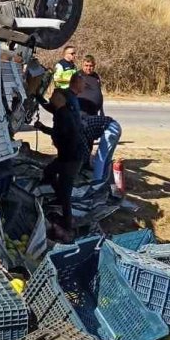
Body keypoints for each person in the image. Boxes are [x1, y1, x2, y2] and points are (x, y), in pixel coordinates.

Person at [35, 86, 89, 242]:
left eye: (53, 95)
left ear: (60, 99)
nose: (51, 97)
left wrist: (44, 129)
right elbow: (47, 106)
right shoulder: (60, 111)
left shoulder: (64, 115)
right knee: (49, 172)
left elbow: (63, 135)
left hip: (71, 158)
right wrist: (37, 96)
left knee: (66, 191)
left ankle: (68, 224)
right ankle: (59, 198)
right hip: (67, 156)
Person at [74, 57, 123, 182]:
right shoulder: (78, 75)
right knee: (81, 139)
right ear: (82, 65)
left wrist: (101, 109)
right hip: (82, 112)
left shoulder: (96, 77)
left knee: (90, 140)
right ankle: (78, 166)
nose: (88, 68)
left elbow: (98, 93)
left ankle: (86, 164)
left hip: (93, 112)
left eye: (90, 66)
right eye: (86, 65)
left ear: (94, 66)